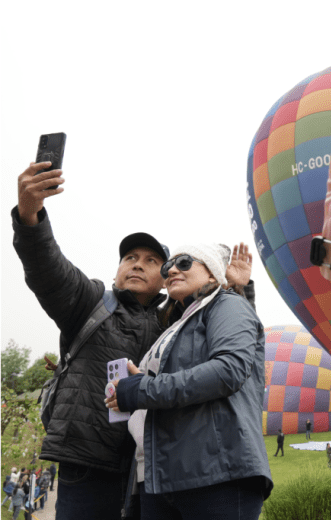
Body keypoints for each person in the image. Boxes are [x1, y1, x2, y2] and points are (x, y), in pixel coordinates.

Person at [13, 163, 255, 520]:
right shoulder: (90, 302)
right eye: (130, 258)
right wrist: (30, 215)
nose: (138, 264)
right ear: (116, 271)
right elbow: (47, 269)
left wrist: (237, 290)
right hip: (90, 464)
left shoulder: (175, 326)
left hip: (152, 467)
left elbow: (231, 347)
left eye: (153, 260)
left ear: (166, 278)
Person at [108, 243, 273, 519]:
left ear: (212, 275)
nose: (171, 269)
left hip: (216, 472)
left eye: (185, 262)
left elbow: (229, 369)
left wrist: (142, 389)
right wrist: (138, 385)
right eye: (167, 267)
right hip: (160, 473)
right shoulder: (175, 327)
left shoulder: (227, 305)